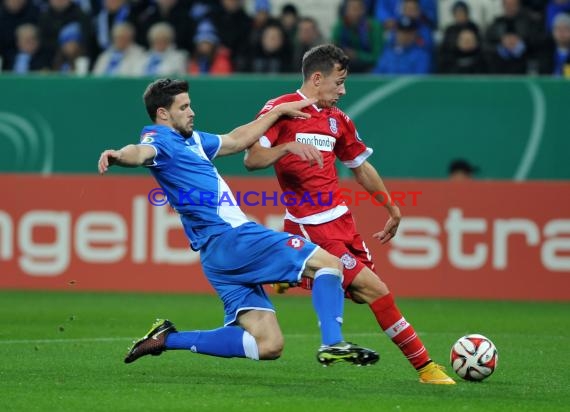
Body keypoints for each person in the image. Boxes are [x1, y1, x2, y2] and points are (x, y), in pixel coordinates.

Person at [97, 78, 379, 367]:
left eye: (190, 105)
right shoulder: (159, 139)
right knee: (330, 264)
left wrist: (277, 114)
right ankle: (333, 342)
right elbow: (140, 152)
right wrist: (119, 156)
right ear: (163, 114)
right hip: (234, 239)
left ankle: (166, 339)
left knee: (268, 345)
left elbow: (236, 139)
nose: (192, 112)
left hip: (216, 257)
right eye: (183, 107)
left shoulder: (192, 140)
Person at [244, 44, 455, 384]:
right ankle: (426, 368)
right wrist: (286, 147)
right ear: (316, 78)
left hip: (342, 223)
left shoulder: (337, 120)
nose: (343, 91)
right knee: (377, 291)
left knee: (362, 295)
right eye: (338, 82)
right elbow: (251, 159)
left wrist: (390, 206)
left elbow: (360, 167)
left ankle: (293, 272)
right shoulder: (281, 110)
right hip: (312, 226)